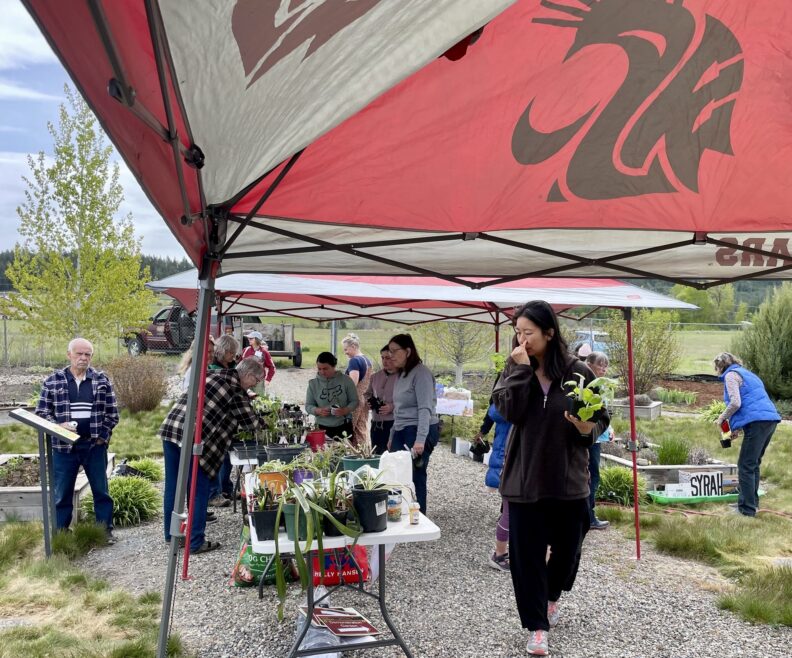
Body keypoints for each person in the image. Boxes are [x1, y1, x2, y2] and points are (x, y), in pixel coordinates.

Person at [493, 301, 610, 657]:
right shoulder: (514, 366)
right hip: (524, 478)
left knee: (569, 547)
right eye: (518, 332)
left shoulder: (578, 372)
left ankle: (552, 596)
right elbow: (507, 411)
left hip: (568, 478)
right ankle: (537, 627)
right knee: (526, 557)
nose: (522, 339)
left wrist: (588, 428)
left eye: (529, 332)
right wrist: (520, 370)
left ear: (549, 332)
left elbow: (602, 417)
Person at [160, 358, 264, 553]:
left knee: (173, 486)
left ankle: (172, 535)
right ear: (248, 375)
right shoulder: (235, 389)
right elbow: (251, 423)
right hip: (192, 438)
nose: (255, 385)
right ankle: (195, 541)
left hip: (171, 429)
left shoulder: (215, 374)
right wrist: (264, 422)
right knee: (198, 489)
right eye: (256, 380)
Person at [35, 338, 119, 541]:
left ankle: (103, 531)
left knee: (101, 491)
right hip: (63, 447)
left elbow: (112, 414)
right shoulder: (53, 381)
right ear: (69, 355)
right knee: (62, 493)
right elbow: (41, 412)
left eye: (87, 354)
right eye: (79, 354)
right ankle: (61, 534)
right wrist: (57, 426)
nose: (83, 358)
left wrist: (102, 437)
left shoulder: (101, 380)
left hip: (93, 446)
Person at [713, 352, 780, 517]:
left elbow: (736, 403)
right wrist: (737, 428)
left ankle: (746, 510)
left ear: (719, 366)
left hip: (758, 422)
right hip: (769, 419)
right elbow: (752, 403)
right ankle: (752, 505)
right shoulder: (749, 375)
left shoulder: (730, 376)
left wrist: (721, 419)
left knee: (745, 465)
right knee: (753, 464)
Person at [386, 334, 439, 515]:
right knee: (394, 472)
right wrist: (392, 435)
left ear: (408, 351)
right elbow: (399, 410)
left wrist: (420, 440)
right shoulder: (401, 374)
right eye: (389, 351)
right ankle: (398, 511)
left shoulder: (421, 373)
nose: (390, 355)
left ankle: (419, 515)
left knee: (416, 474)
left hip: (419, 428)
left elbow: (425, 409)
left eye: (394, 351)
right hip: (402, 428)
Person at [473, 378, 512, 572]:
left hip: (504, 459)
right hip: (509, 460)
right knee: (509, 511)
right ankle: (499, 554)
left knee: (508, 510)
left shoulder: (500, 402)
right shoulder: (508, 404)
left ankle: (503, 553)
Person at [207, 334, 241, 508]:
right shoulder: (215, 368)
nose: (234, 356)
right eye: (231, 353)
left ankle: (226, 488)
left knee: (227, 458)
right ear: (223, 351)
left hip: (228, 421)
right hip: (218, 421)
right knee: (217, 458)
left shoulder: (231, 366)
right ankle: (215, 493)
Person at [585, 351, 614, 530]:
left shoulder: (602, 386)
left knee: (593, 476)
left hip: (599, 436)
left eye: (606, 365)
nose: (603, 368)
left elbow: (604, 413)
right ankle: (589, 516)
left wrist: (609, 428)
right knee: (591, 476)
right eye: (600, 365)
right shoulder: (588, 386)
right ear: (589, 364)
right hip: (591, 439)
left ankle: (588, 514)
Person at [305, 352, 358, 440]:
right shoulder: (313, 384)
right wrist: (318, 410)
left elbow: (354, 401)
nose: (322, 372)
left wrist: (345, 410)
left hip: (343, 426)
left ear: (333, 366)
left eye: (325, 368)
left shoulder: (346, 380)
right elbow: (308, 406)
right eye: (319, 369)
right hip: (321, 427)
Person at [365, 345, 397, 455]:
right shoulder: (375, 376)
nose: (384, 361)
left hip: (394, 423)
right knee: (376, 456)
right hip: (376, 423)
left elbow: (410, 401)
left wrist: (391, 407)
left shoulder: (403, 377)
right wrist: (370, 402)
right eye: (382, 357)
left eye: (388, 358)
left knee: (391, 457)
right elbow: (367, 393)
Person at [343, 333, 373, 445]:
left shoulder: (354, 361)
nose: (345, 352)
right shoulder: (367, 360)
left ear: (354, 347)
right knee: (361, 429)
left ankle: (353, 456)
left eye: (346, 349)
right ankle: (363, 455)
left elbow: (352, 383)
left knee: (349, 431)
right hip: (364, 399)